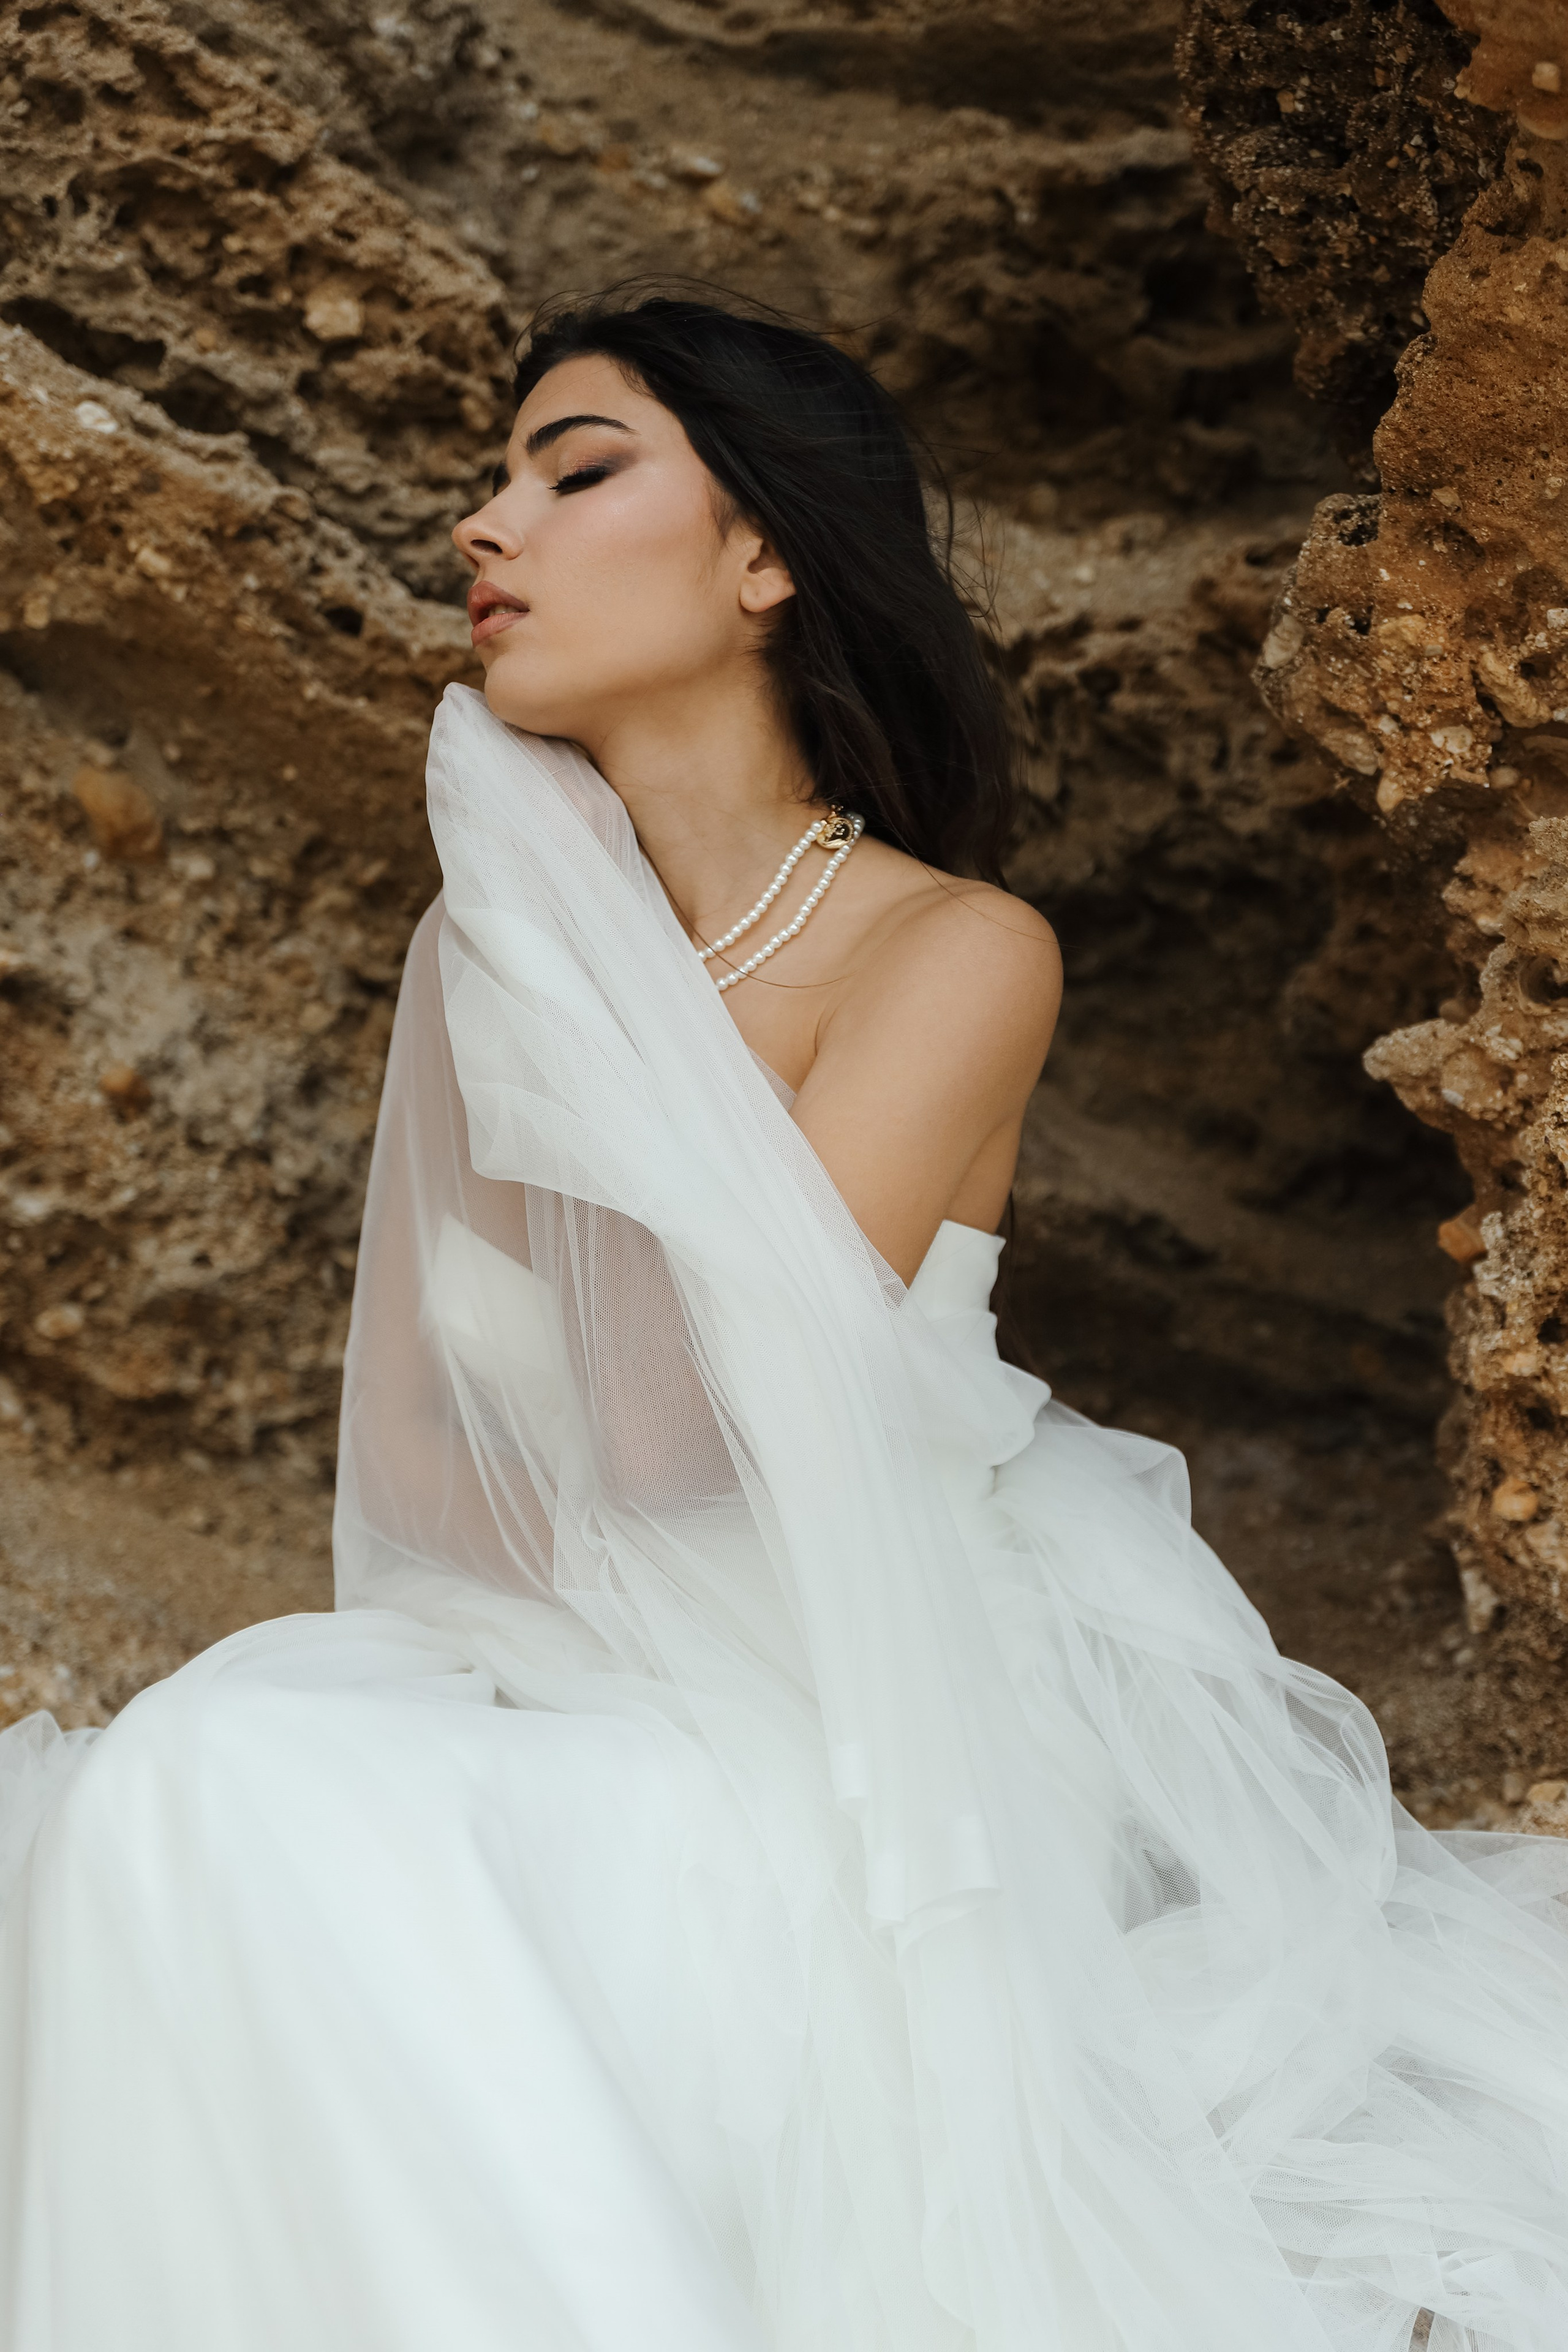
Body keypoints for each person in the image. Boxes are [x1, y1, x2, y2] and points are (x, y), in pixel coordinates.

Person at [0, 288, 1565, 2352]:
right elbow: (418, 1490)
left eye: (573, 472)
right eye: (492, 482)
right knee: (200, 1773)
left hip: (875, 1715)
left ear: (764, 558)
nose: (486, 529)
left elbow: (675, 1428)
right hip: (569, 1674)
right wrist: (529, 922)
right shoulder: (492, 943)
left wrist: (559, 950)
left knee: (257, 1804)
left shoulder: (951, 951)